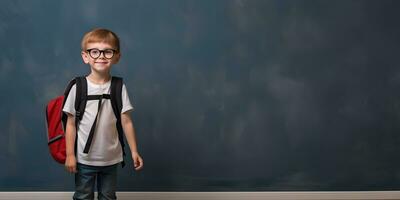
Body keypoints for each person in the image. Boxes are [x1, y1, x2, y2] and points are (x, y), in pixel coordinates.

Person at [63, 28, 144, 200]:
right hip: (84, 159)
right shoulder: (78, 87)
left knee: (108, 196)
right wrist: (70, 155)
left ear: (116, 57)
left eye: (107, 52)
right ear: (85, 56)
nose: (101, 56)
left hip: (111, 158)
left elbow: (126, 121)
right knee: (83, 196)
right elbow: (70, 124)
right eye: (95, 52)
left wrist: (134, 151)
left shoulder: (118, 87)